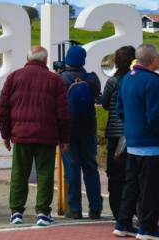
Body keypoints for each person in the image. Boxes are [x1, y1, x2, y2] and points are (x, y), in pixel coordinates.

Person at [0, 45, 69, 227]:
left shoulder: (14, 77)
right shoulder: (55, 80)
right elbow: (62, 112)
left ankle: (16, 212)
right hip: (47, 135)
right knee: (45, 174)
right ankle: (43, 213)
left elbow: (3, 108)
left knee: (19, 173)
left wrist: (6, 134)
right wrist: (65, 138)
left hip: (21, 135)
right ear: (45, 60)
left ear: (28, 58)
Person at [113, 44, 159, 240]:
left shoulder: (126, 80)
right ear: (153, 60)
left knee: (131, 185)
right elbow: (156, 115)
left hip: (132, 141)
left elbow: (120, 110)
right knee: (151, 187)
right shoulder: (152, 81)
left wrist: (132, 125)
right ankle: (147, 228)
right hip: (150, 143)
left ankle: (123, 223)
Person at [57, 45, 103, 219]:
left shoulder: (61, 79)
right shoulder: (92, 79)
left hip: (67, 131)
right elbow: (96, 97)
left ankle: (75, 209)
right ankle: (96, 208)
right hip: (89, 129)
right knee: (91, 168)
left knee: (71, 169)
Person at [100, 45, 135, 220]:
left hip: (114, 134)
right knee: (133, 174)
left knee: (114, 174)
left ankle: (117, 211)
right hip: (133, 132)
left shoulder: (113, 81)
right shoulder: (135, 79)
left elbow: (105, 103)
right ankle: (134, 210)